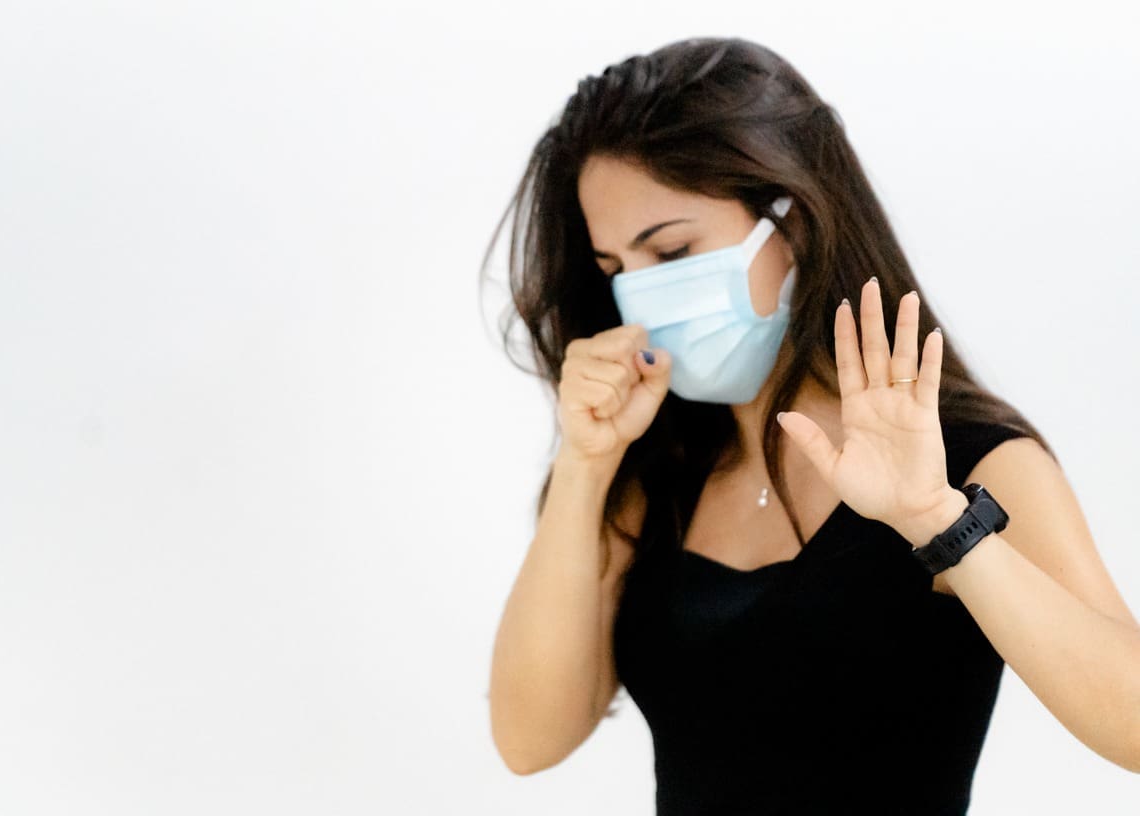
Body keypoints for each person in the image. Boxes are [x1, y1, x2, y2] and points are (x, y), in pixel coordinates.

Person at [485, 37, 1140, 814]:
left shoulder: (971, 463)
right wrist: (586, 464)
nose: (643, 296)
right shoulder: (652, 477)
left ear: (791, 222)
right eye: (616, 269)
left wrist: (936, 519)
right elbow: (528, 740)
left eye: (672, 250)